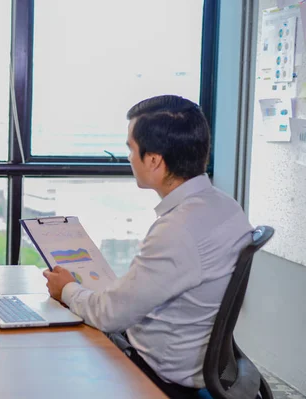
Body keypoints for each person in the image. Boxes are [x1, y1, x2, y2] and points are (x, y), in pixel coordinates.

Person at [42, 95, 253, 397]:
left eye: (130, 148)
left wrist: (67, 290)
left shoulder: (178, 229)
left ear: (153, 159)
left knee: (57, 350)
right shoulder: (225, 206)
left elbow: (110, 315)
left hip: (159, 371)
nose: (128, 157)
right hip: (199, 358)